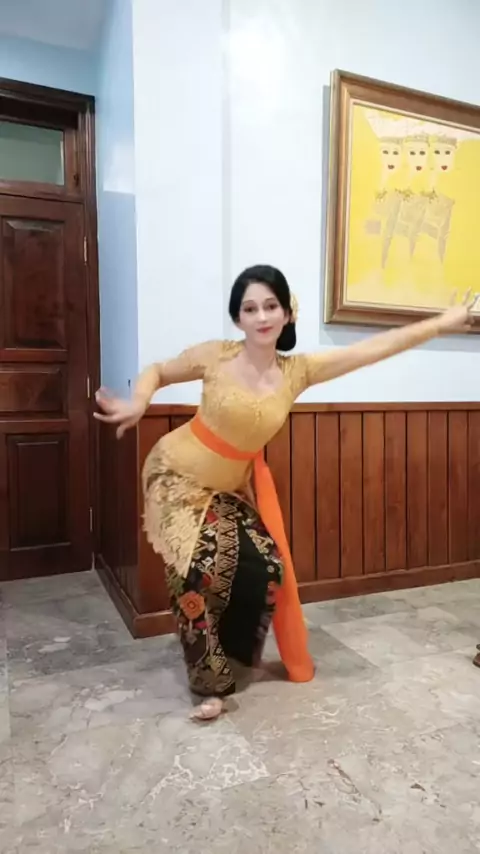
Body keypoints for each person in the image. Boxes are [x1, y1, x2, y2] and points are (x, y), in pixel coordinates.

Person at [95, 265, 476, 721]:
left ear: (287, 312)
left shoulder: (298, 372)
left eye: (270, 306)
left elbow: (373, 349)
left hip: (228, 486)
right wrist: (139, 401)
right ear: (238, 318)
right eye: (249, 309)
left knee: (265, 565)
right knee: (199, 567)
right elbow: (158, 370)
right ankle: (211, 687)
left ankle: (231, 659)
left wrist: (441, 324)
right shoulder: (216, 356)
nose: (261, 316)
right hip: (174, 474)